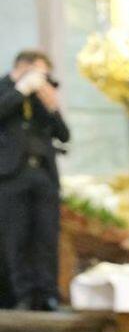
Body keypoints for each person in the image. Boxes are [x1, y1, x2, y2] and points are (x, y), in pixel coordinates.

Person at [0, 49, 71, 311]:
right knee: (14, 237)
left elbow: (64, 135)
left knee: (47, 237)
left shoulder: (43, 97)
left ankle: (47, 294)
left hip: (43, 174)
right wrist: (21, 90)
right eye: (40, 72)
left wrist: (52, 106)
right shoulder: (5, 88)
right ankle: (21, 294)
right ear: (23, 67)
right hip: (11, 175)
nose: (44, 78)